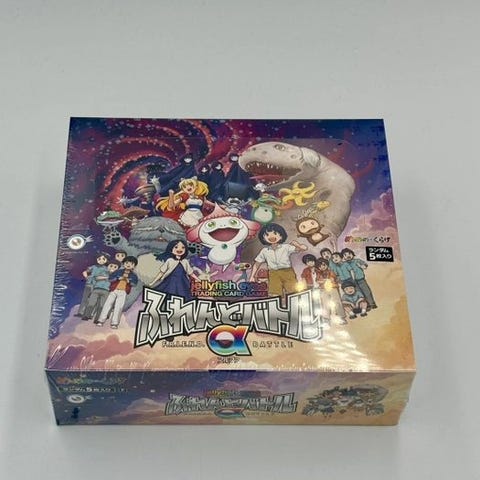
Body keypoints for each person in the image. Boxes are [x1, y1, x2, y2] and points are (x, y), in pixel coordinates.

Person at [249, 223, 307, 301]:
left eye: (275, 233)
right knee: (274, 295)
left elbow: (304, 248)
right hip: (273, 273)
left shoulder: (286, 247)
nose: (271, 236)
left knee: (293, 292)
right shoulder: (265, 251)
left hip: (287, 272)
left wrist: (297, 245)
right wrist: (252, 276)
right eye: (267, 235)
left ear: (281, 235)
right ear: (263, 237)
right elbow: (257, 264)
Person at [96, 256, 138, 329]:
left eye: (131, 263)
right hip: (114, 290)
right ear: (123, 264)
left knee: (119, 307)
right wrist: (118, 278)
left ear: (134, 266)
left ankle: (114, 323)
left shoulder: (133, 275)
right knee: (107, 305)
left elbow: (134, 284)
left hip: (123, 292)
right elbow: (110, 279)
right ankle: (100, 321)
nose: (128, 265)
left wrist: (128, 281)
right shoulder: (118, 271)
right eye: (126, 263)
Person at [75, 252, 110, 317]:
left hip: (97, 286)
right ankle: (80, 312)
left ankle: (90, 314)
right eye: (99, 259)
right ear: (96, 259)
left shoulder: (106, 269)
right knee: (85, 298)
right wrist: (86, 277)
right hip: (89, 284)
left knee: (93, 300)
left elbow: (106, 277)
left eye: (103, 259)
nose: (101, 260)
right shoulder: (93, 267)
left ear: (106, 260)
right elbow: (85, 272)